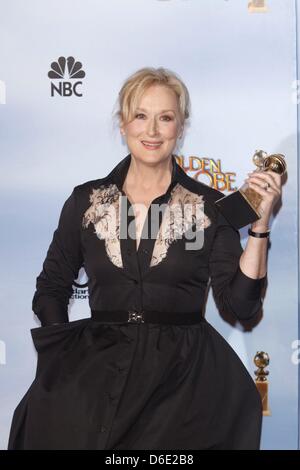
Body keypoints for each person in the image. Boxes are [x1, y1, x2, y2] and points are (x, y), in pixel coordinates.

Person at [8, 67, 283, 450]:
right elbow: (51, 287)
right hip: (99, 375)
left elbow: (241, 304)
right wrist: (65, 360)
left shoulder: (209, 207)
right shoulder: (85, 202)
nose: (152, 130)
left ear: (180, 127)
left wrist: (260, 225)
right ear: (123, 124)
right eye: (141, 115)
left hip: (182, 385)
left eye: (165, 117)